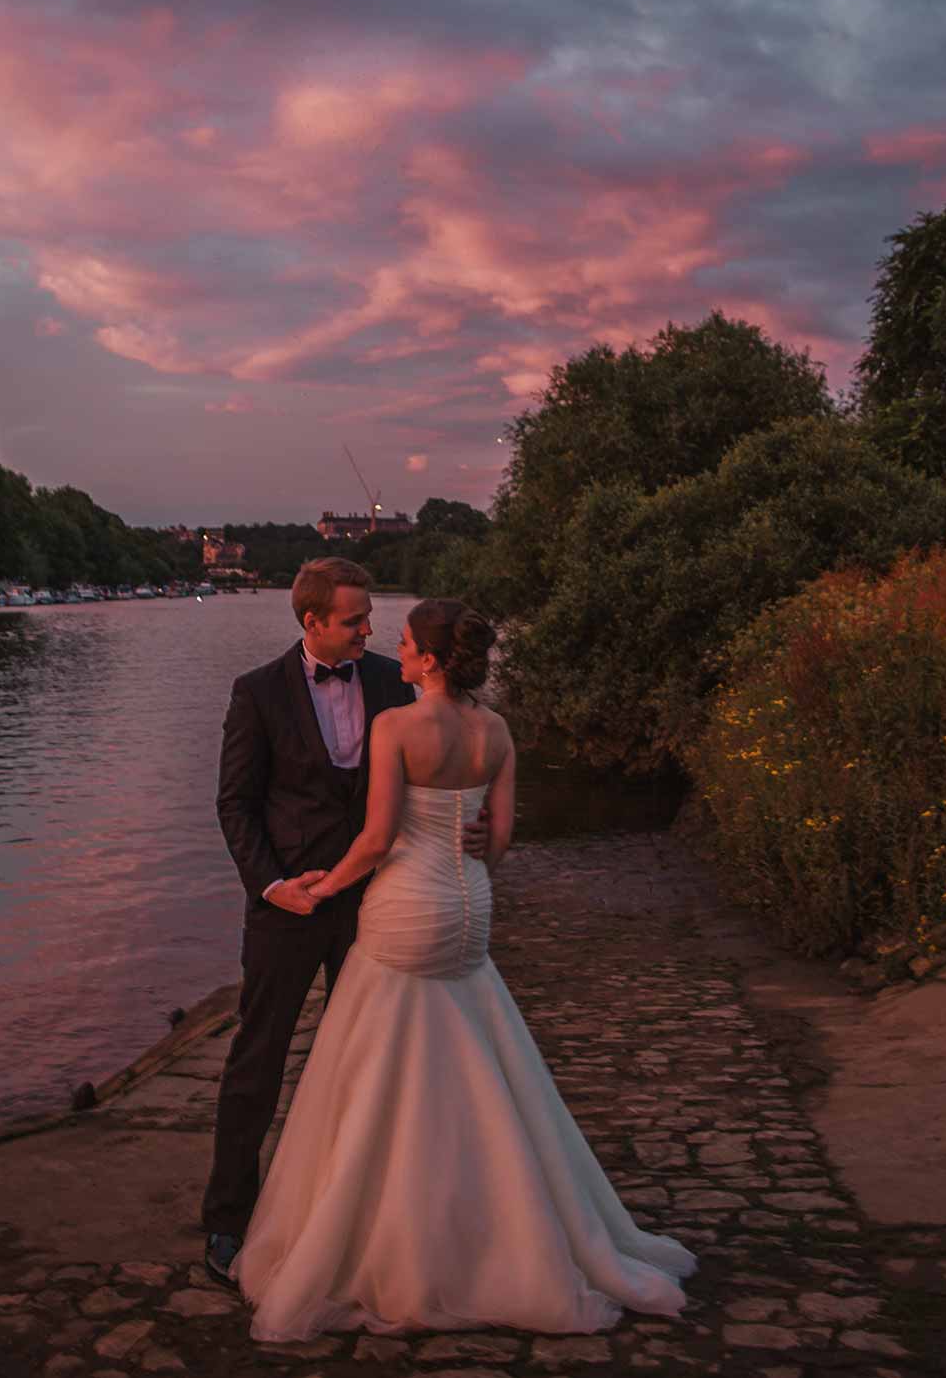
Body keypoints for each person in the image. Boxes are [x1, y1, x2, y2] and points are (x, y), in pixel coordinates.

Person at [232, 598, 695, 1340]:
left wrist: (322, 887)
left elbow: (377, 839)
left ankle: (398, 1233)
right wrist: (466, 848)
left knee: (385, 1066)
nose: (396, 650)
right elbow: (499, 839)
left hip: (407, 905)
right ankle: (496, 1223)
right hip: (469, 903)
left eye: (408, 644)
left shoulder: (397, 727)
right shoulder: (497, 731)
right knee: (471, 1055)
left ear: (431, 660)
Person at [201, 559, 491, 1285]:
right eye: (355, 620)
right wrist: (272, 886)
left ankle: (352, 1217)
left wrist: (475, 822)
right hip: (288, 907)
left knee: (367, 1063)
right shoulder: (257, 692)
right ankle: (228, 1220)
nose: (369, 630)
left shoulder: (394, 681)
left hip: (377, 902)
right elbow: (235, 804)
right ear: (313, 622)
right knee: (258, 1061)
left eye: (369, 618)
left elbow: (439, 769)